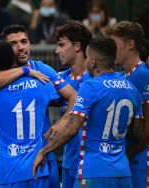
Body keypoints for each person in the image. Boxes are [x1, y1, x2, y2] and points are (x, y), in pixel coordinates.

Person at [33, 36, 144, 188]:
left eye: (87, 58)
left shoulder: (90, 86)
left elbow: (72, 128)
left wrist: (44, 151)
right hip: (122, 172)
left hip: (93, 171)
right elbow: (138, 132)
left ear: (92, 62)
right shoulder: (131, 88)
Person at [0, 24, 77, 188]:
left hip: (45, 156)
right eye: (13, 44)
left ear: (30, 44)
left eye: (24, 41)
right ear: (5, 49)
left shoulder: (42, 68)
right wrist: (25, 72)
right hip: (13, 161)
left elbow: (73, 96)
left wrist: (63, 122)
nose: (20, 48)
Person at [108, 20, 149, 188]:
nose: (111, 50)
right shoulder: (122, 76)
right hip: (130, 162)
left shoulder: (147, 75)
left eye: (115, 44)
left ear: (130, 44)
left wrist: (129, 153)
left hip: (145, 163)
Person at [53, 20, 92, 188]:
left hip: (91, 164)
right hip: (68, 162)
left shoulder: (97, 79)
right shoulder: (59, 78)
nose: (57, 50)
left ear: (77, 46)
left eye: (62, 45)